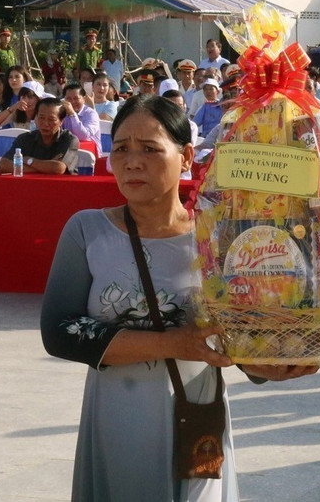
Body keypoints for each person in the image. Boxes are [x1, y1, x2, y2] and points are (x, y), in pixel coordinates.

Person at [40, 95, 238, 500]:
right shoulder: (87, 230)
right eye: (122, 149)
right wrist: (174, 343)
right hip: (116, 420)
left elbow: (244, 332)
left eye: (149, 149)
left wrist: (280, 359)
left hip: (195, 416)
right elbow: (59, 331)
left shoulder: (217, 239)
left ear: (185, 156)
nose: (132, 162)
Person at [0, 97, 79, 175]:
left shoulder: (70, 139)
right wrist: (46, 167)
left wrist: (29, 160)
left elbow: (58, 168)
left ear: (61, 121)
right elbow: (3, 165)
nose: (45, 123)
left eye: (51, 119)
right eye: (41, 118)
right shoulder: (24, 138)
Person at [62, 82, 103, 154]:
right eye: (68, 99)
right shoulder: (63, 112)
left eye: (76, 98)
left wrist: (72, 114)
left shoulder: (91, 114)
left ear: (84, 99)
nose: (72, 102)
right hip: (67, 151)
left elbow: (83, 136)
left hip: (89, 153)